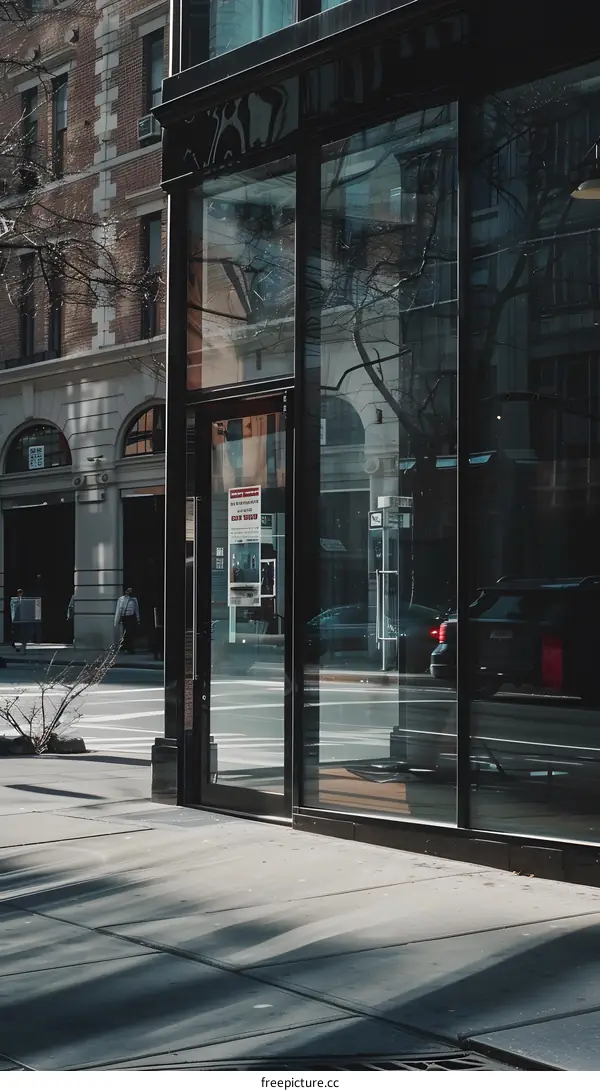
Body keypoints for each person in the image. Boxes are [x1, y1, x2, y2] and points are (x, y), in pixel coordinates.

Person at [114, 588, 140, 654]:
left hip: (131, 617)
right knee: (126, 633)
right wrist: (116, 620)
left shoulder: (134, 599)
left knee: (130, 632)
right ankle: (127, 647)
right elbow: (118, 610)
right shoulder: (121, 599)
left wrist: (138, 618)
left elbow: (136, 609)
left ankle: (130, 648)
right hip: (124, 617)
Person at [10, 589, 29, 653]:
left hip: (22, 619)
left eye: (21, 593)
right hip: (16, 618)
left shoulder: (24, 600)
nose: (20, 594)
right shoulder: (15, 600)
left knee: (22, 632)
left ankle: (22, 646)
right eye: (19, 593)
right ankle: (16, 645)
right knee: (16, 632)